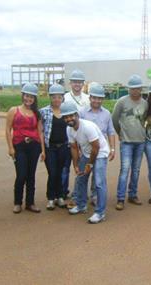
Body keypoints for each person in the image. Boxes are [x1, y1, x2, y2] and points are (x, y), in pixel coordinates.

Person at [61, 102, 110, 223]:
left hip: (100, 153)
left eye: (71, 115)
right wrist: (76, 165)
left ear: (77, 115)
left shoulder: (88, 126)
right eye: (66, 117)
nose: (69, 119)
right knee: (80, 178)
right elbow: (73, 148)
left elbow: (96, 147)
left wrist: (89, 165)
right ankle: (81, 205)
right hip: (88, 154)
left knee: (99, 182)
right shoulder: (69, 130)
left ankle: (100, 213)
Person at [5, 83, 45, 214]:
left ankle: (30, 203)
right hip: (19, 146)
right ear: (23, 96)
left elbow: (40, 132)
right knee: (21, 175)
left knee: (31, 175)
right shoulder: (14, 110)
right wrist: (10, 147)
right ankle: (17, 202)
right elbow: (7, 129)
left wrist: (43, 150)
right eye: (27, 96)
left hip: (34, 146)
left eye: (32, 97)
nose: (29, 99)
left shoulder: (36, 113)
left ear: (34, 99)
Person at [112, 74, 148, 210]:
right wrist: (120, 133)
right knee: (125, 170)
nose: (135, 90)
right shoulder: (122, 101)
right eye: (132, 88)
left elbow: (144, 119)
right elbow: (114, 119)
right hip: (126, 142)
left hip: (140, 141)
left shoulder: (145, 103)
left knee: (136, 170)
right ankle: (120, 198)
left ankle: (132, 194)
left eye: (137, 88)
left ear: (141, 89)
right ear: (129, 89)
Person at [79, 82, 116, 206]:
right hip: (85, 151)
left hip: (100, 151)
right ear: (90, 98)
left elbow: (110, 132)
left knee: (98, 176)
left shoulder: (106, 114)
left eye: (99, 98)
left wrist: (113, 149)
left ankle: (95, 196)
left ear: (103, 99)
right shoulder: (82, 113)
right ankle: (79, 198)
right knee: (82, 175)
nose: (97, 100)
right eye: (94, 97)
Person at [40, 83, 69, 210]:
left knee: (61, 172)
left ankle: (60, 196)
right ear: (50, 98)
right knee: (52, 172)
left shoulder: (67, 111)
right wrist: (42, 150)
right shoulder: (44, 111)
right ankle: (51, 198)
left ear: (63, 97)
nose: (57, 99)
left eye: (59, 97)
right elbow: (40, 131)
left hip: (64, 146)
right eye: (54, 97)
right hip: (50, 147)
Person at [62, 69, 89, 201]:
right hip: (69, 136)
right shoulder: (65, 98)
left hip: (84, 138)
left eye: (79, 82)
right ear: (70, 84)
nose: (77, 84)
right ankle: (63, 192)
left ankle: (79, 191)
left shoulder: (87, 98)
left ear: (83, 84)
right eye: (74, 82)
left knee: (83, 166)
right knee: (68, 166)